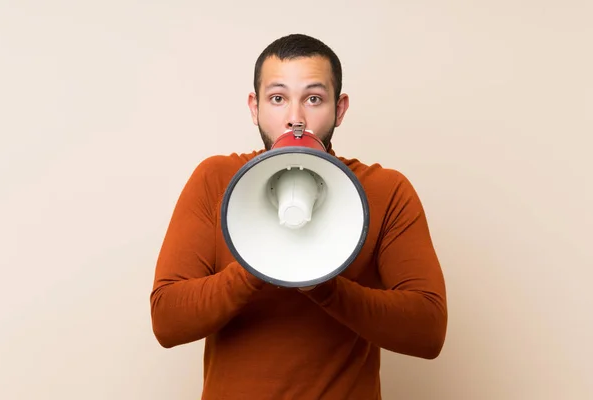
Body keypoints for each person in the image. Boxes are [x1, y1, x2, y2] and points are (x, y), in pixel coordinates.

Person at [150, 33, 448, 399]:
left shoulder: (386, 189)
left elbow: (428, 330)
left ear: (339, 109)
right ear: (254, 106)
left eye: (313, 98)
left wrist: (324, 286)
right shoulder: (214, 179)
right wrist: (257, 263)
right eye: (277, 98)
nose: (296, 118)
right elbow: (167, 321)